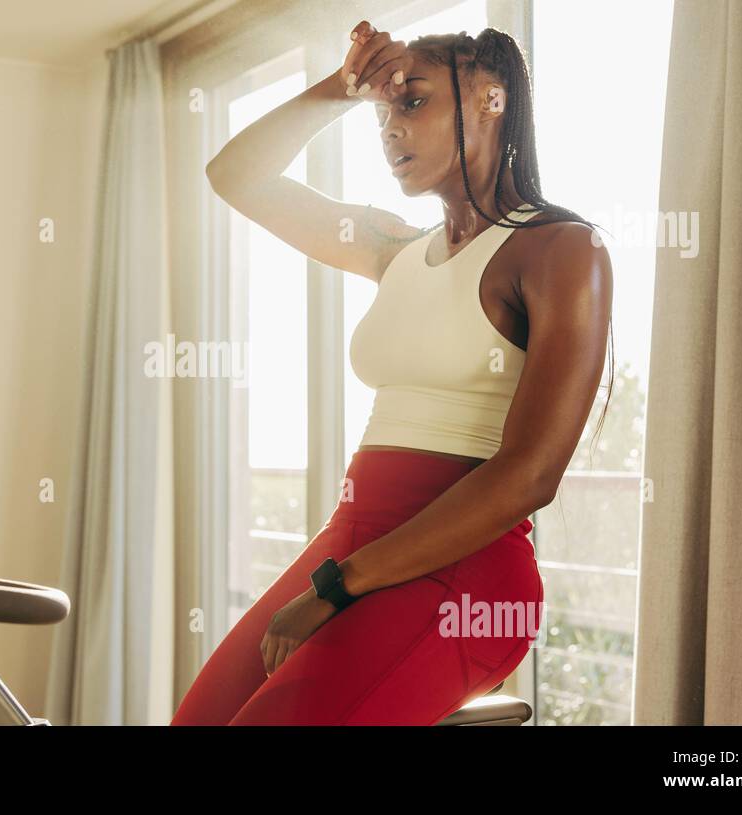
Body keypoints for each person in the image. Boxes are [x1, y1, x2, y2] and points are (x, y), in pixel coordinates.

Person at [172, 21, 614, 725]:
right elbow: (235, 175)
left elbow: (529, 474)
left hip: (467, 575)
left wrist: (337, 584)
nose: (389, 128)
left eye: (412, 102)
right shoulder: (394, 249)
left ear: (491, 100)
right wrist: (341, 87)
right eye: (382, 111)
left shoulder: (559, 250)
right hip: (353, 540)